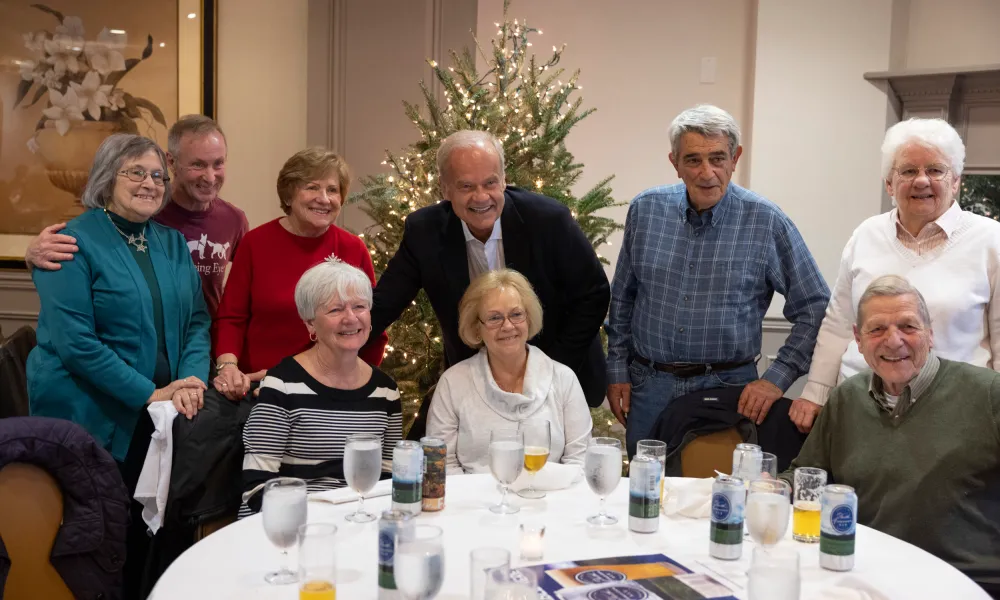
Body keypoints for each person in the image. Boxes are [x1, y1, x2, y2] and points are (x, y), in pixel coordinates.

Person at [26, 134, 211, 597]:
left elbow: (197, 322)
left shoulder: (170, 243)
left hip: (163, 415)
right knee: (99, 537)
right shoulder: (69, 243)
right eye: (135, 172)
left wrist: (189, 380)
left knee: (154, 536)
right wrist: (149, 392)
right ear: (107, 177)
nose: (149, 183)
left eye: (156, 175)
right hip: (91, 415)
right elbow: (76, 345)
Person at [606, 104, 830, 457]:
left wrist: (776, 379)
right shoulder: (645, 210)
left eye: (718, 158)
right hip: (650, 387)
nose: (706, 172)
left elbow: (816, 308)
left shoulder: (766, 222)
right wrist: (617, 370)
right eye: (693, 160)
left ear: (735, 158)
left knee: (721, 499)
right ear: (674, 162)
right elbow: (623, 300)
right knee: (647, 496)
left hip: (728, 391)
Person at [779, 275, 1000, 595]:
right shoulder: (847, 398)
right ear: (858, 338)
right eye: (877, 329)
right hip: (866, 576)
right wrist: (768, 488)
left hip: (966, 582)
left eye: (908, 327)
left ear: (930, 333)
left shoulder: (988, 394)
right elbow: (808, 474)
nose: (893, 341)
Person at [364, 130, 610, 408]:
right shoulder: (425, 232)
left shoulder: (548, 220)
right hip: (475, 381)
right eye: (466, 186)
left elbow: (595, 293)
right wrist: (333, 349)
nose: (481, 197)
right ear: (445, 189)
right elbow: (385, 303)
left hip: (559, 370)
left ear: (504, 180)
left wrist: (548, 369)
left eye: (490, 183)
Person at [793, 118, 1000, 433]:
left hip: (956, 417)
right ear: (889, 183)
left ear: (956, 180)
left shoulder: (991, 240)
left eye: (935, 170)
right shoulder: (866, 235)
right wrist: (816, 391)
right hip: (861, 411)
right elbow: (838, 324)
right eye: (908, 171)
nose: (921, 181)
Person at [25, 114, 249, 318]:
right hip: (140, 341)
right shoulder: (142, 212)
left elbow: (249, 285)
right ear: (171, 162)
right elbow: (89, 242)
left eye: (218, 164)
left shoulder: (234, 220)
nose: (210, 177)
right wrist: (33, 252)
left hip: (202, 344)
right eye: (198, 164)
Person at [213, 148, 387, 401]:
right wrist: (228, 368)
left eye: (332, 190)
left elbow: (370, 326)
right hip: (259, 387)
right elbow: (231, 317)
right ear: (289, 193)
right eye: (312, 187)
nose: (324, 198)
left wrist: (354, 386)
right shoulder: (255, 244)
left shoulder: (353, 248)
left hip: (332, 390)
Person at [240, 257, 401, 515]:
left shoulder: (386, 391)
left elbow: (388, 478)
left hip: (357, 522)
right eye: (335, 310)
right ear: (310, 323)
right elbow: (256, 488)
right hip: (291, 523)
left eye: (359, 306)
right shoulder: (282, 385)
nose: (350, 318)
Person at [425, 269, 592, 475]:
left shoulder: (564, 379)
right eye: (495, 317)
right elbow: (442, 464)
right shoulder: (453, 382)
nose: (508, 326)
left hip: (547, 501)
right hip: (474, 503)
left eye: (516, 314)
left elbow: (580, 460)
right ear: (477, 328)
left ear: (528, 318)